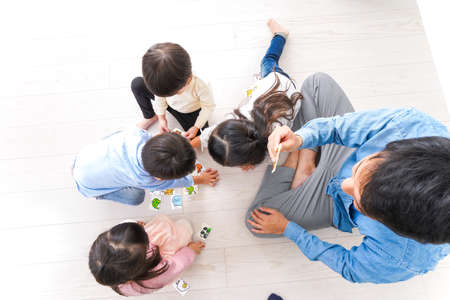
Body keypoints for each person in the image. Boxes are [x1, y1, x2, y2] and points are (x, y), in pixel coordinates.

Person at [246, 72, 450, 283]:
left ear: (394, 226)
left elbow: (348, 265)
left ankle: (311, 159)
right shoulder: (411, 126)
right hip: (342, 152)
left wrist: (290, 229)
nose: (344, 185)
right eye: (362, 166)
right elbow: (341, 126)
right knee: (316, 84)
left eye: (360, 204)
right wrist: (300, 139)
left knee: (255, 218)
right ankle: (307, 158)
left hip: (334, 207)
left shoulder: (404, 258)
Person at [191, 19, 317, 180]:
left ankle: (281, 35)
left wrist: (249, 164)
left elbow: (211, 134)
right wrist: (190, 144)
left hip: (282, 88)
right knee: (267, 61)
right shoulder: (237, 119)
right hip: (276, 82)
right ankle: (280, 36)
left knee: (268, 60)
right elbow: (211, 134)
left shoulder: (272, 148)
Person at [73, 128, 219, 206]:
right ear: (158, 178)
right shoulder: (145, 180)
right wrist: (201, 179)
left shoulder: (137, 133)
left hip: (83, 157)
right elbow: (176, 182)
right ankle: (101, 195)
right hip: (87, 187)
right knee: (137, 198)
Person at [89, 216, 205, 296]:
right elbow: (176, 265)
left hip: (144, 260)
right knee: (184, 227)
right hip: (163, 265)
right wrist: (190, 250)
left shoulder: (108, 266)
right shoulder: (153, 277)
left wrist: (134, 228)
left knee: (154, 228)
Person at [131, 42, 215, 140]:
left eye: (176, 92)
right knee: (137, 84)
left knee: (200, 136)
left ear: (189, 77)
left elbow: (208, 106)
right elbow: (159, 96)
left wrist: (196, 127)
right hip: (170, 104)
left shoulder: (200, 85)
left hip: (190, 110)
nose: (172, 95)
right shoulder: (160, 83)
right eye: (165, 94)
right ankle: (150, 116)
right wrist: (161, 117)